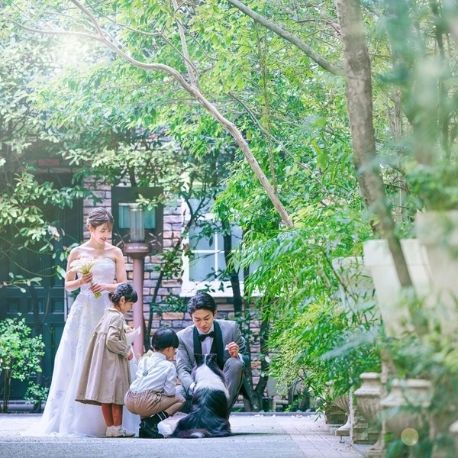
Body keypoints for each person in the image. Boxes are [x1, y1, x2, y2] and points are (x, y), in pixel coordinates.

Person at [26, 207, 133, 437]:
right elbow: (67, 285)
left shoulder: (115, 252)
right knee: (79, 355)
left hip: (107, 310)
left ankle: (114, 422)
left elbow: (123, 284)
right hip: (84, 310)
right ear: (90, 228)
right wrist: (82, 281)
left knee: (108, 358)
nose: (106, 235)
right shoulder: (77, 252)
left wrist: (106, 286)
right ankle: (78, 420)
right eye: (102, 230)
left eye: (109, 231)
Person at [76, 283, 137, 438]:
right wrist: (126, 350)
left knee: (106, 398)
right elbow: (111, 339)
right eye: (130, 304)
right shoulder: (118, 316)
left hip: (104, 362)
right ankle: (118, 428)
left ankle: (110, 428)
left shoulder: (107, 314)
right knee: (117, 397)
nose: (130, 308)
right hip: (113, 362)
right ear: (122, 301)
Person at [176, 292, 249, 414]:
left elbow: (246, 359)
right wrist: (193, 387)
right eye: (197, 320)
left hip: (224, 385)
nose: (203, 324)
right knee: (176, 395)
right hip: (198, 385)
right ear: (191, 316)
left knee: (235, 363)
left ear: (215, 313)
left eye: (206, 318)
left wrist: (237, 355)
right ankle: (206, 415)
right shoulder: (182, 337)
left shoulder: (231, 328)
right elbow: (182, 368)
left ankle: (220, 415)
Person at [124, 327, 185, 439]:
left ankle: (144, 429)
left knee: (146, 394)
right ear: (169, 349)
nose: (174, 354)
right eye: (174, 351)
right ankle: (152, 422)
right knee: (180, 399)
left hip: (129, 399)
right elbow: (170, 392)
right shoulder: (169, 366)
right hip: (146, 402)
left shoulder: (144, 360)